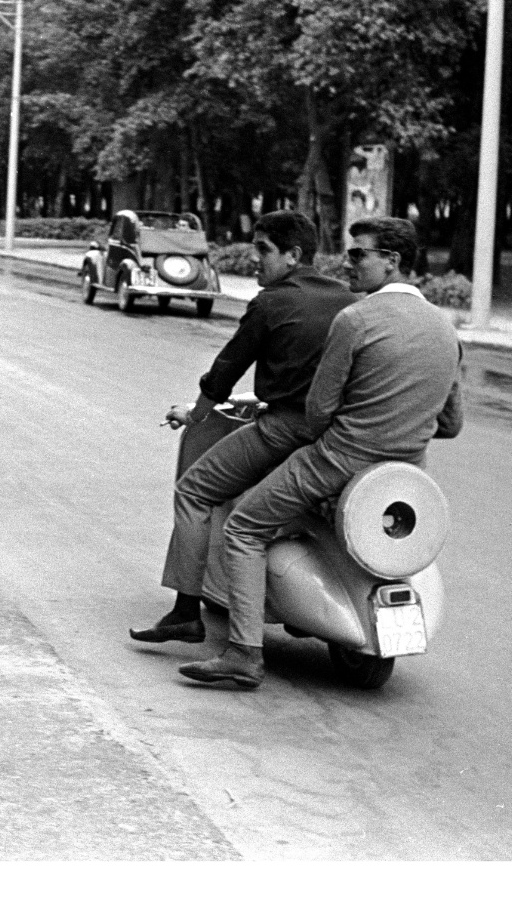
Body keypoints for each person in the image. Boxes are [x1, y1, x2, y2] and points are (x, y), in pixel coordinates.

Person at [179, 216, 463, 688]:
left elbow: (317, 413)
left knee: (245, 527)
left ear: (390, 262)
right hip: (401, 477)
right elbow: (450, 424)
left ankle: (244, 653)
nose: (346, 263)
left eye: (357, 254)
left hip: (334, 463)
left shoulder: (355, 320)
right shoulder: (444, 329)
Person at [130, 211, 357, 645]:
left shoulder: (271, 302)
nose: (256, 260)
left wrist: (196, 413)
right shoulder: (348, 300)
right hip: (335, 434)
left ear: (292, 255)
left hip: (285, 428)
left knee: (194, 491)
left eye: (264, 250)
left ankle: (185, 611)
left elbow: (227, 369)